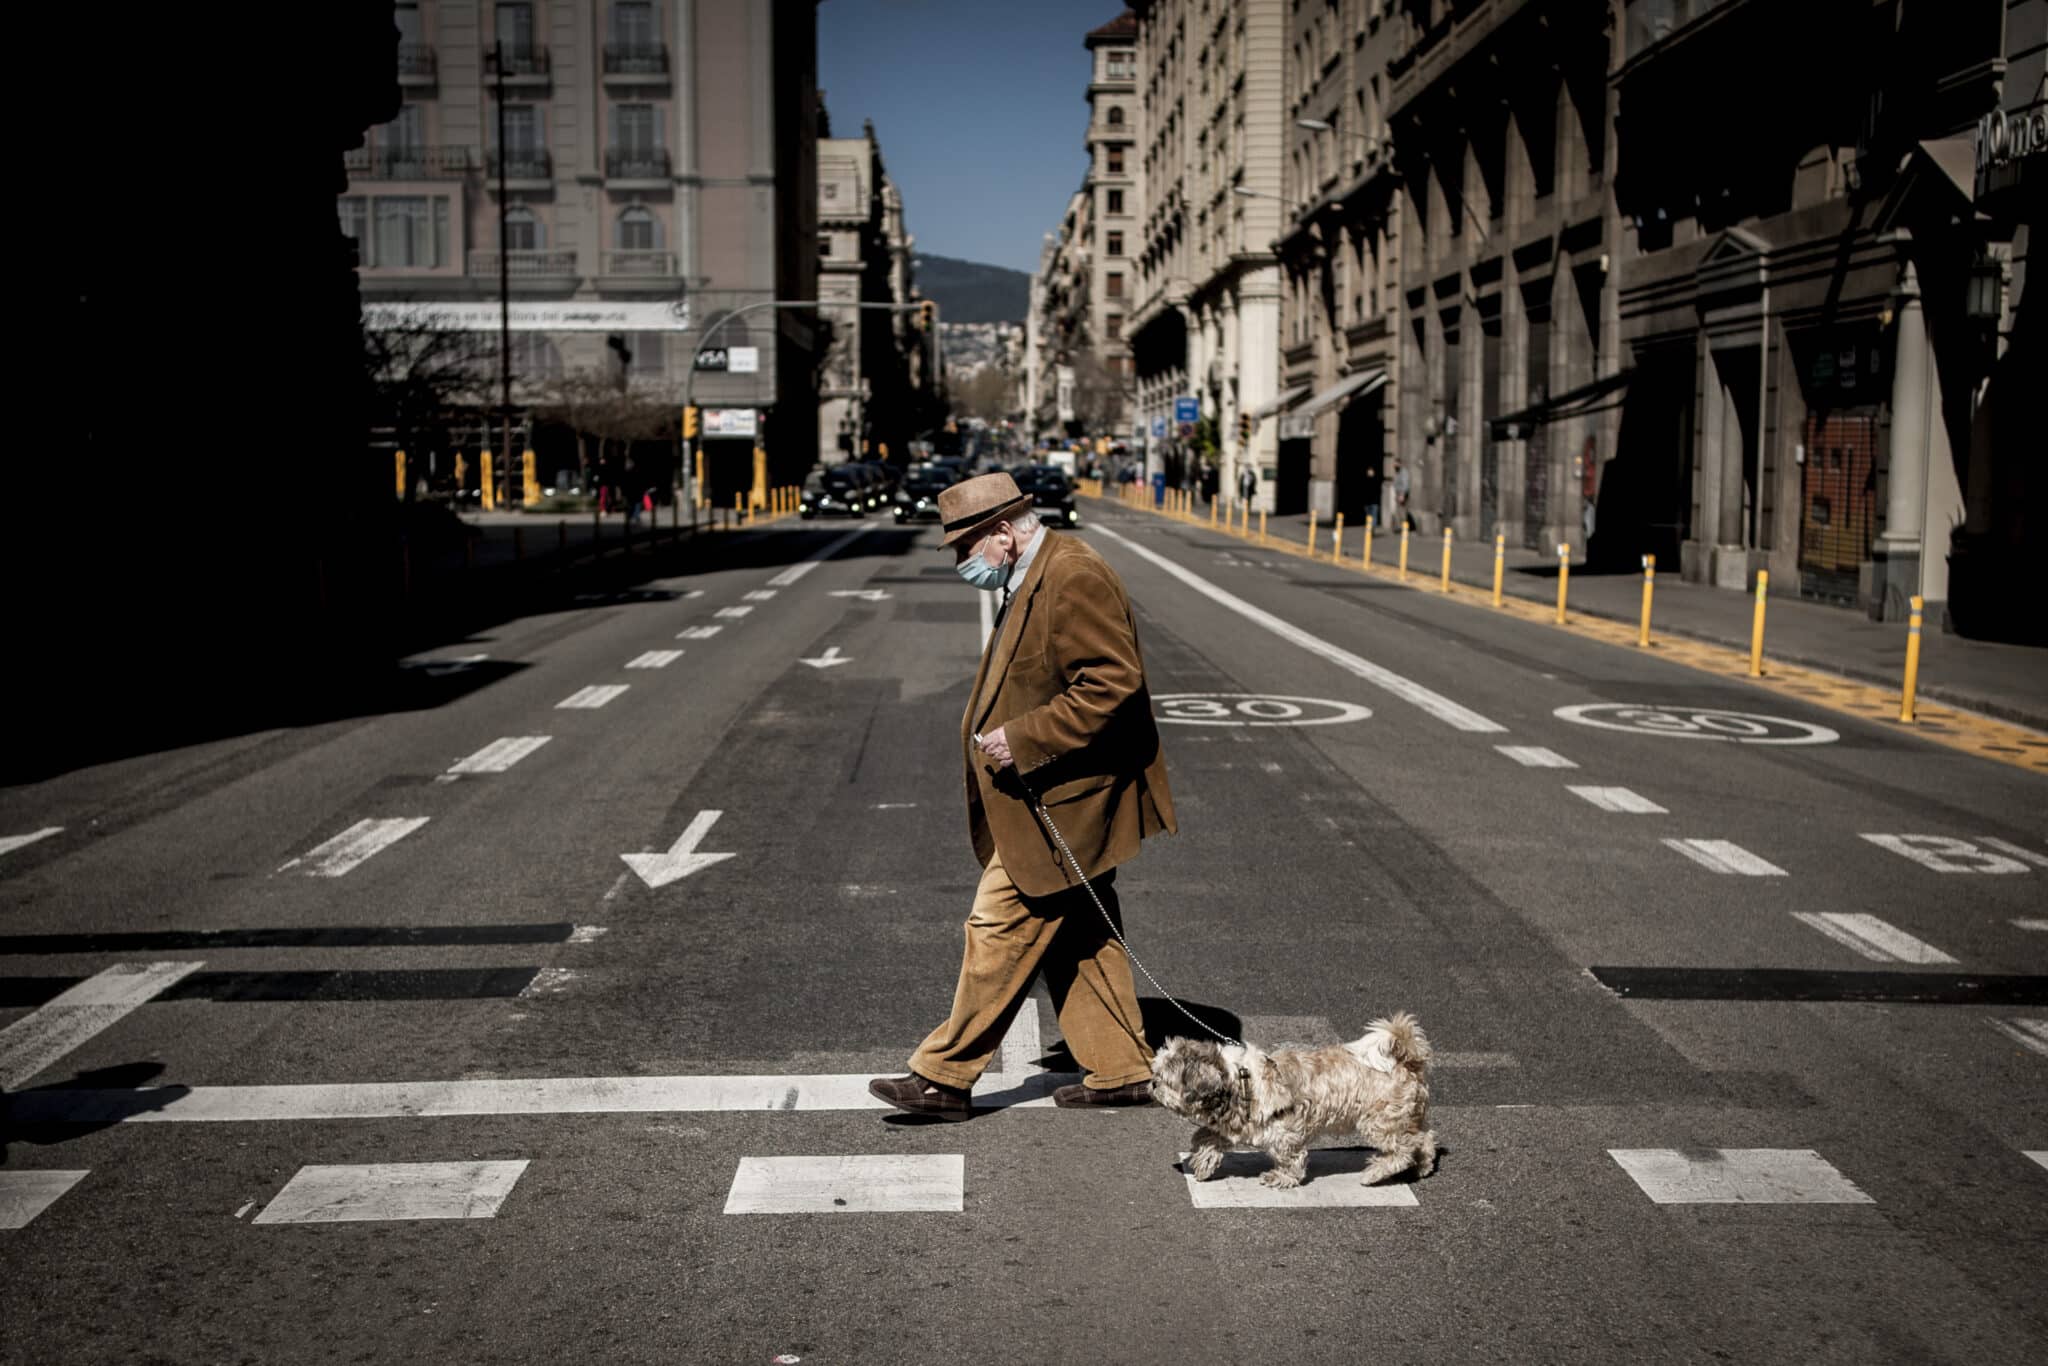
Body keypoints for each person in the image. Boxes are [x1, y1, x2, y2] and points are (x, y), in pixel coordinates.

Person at [870, 472, 1177, 1120]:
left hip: (1067, 798)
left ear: (1004, 531)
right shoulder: (1031, 573)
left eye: (965, 547)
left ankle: (943, 1077)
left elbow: (1113, 683)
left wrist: (1027, 736)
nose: (961, 562)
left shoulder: (1073, 575)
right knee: (1082, 934)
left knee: (998, 925)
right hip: (1048, 796)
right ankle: (1124, 1069)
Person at [1392, 458, 1412, 530]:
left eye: (1396, 463)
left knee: (1402, 511)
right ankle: (1400, 526)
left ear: (1399, 464)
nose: (1394, 465)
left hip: (1402, 494)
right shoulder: (1397, 472)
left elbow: (1405, 484)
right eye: (1394, 463)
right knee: (1399, 511)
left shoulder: (1404, 472)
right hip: (1398, 493)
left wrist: (1402, 495)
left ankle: (1404, 527)